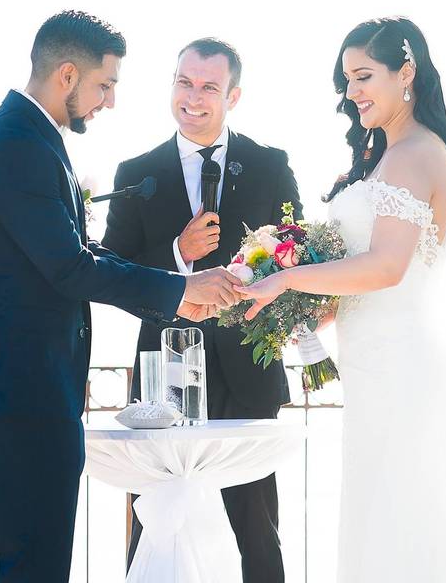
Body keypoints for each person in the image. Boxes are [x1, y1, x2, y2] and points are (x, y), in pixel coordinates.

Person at [0, 10, 238, 583]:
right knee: (34, 559)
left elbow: (80, 254)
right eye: (104, 85)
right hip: (20, 386)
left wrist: (176, 290)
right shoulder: (15, 147)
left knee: (20, 551)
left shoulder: (31, 139)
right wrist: (178, 289)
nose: (107, 101)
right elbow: (69, 267)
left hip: (31, 384)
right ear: (66, 75)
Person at [235, 17, 446, 581]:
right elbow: (363, 276)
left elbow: (389, 268)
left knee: (401, 518)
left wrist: (286, 280)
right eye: (347, 80)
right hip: (374, 365)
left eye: (364, 76)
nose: (352, 93)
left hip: (404, 365)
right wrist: (301, 310)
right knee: (377, 514)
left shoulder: (417, 152)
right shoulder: (387, 156)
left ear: (407, 72)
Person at [102, 37, 301, 582]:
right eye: (183, 82)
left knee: (258, 531)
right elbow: (110, 271)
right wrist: (175, 254)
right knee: (152, 519)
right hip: (164, 369)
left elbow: (297, 252)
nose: (193, 97)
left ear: (232, 95)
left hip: (247, 371)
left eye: (208, 86)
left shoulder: (269, 165)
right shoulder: (134, 173)